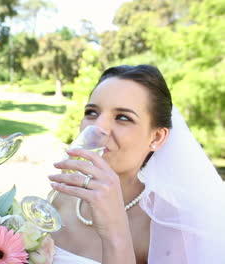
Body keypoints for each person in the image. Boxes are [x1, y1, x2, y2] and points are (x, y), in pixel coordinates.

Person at [48, 65, 225, 263]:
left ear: (157, 137)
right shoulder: (62, 197)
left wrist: (116, 233)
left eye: (123, 117)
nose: (99, 127)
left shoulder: (171, 226)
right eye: (92, 112)